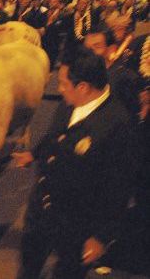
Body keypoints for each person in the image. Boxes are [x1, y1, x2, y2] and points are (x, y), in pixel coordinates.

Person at [13, 48, 136, 279]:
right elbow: (54, 134)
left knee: (67, 271)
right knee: (29, 266)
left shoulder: (117, 126)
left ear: (83, 87)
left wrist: (101, 236)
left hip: (76, 222)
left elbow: (118, 187)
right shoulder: (71, 102)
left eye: (62, 83)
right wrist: (35, 154)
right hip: (42, 209)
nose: (59, 90)